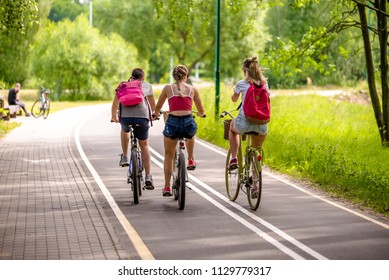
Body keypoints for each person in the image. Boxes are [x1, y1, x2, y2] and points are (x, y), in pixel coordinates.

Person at [153, 65, 205, 196]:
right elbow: (201, 110)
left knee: (168, 155)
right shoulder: (193, 89)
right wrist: (201, 113)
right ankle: (191, 159)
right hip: (187, 122)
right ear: (186, 76)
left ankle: (166, 187)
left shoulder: (167, 88)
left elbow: (158, 107)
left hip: (172, 123)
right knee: (191, 131)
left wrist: (156, 114)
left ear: (173, 76)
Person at [111, 68, 156, 189]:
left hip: (126, 118)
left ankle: (125, 156)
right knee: (144, 145)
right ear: (143, 77)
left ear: (132, 76)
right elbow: (152, 105)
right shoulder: (147, 86)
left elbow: (115, 103)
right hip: (142, 118)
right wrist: (155, 114)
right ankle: (148, 176)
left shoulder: (123, 85)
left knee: (124, 130)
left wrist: (114, 117)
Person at [228, 56, 268, 169]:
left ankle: (234, 158)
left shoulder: (241, 83)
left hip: (243, 124)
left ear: (245, 71)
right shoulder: (264, 84)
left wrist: (235, 90)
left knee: (232, 128)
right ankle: (255, 169)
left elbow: (234, 99)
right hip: (261, 125)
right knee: (256, 148)